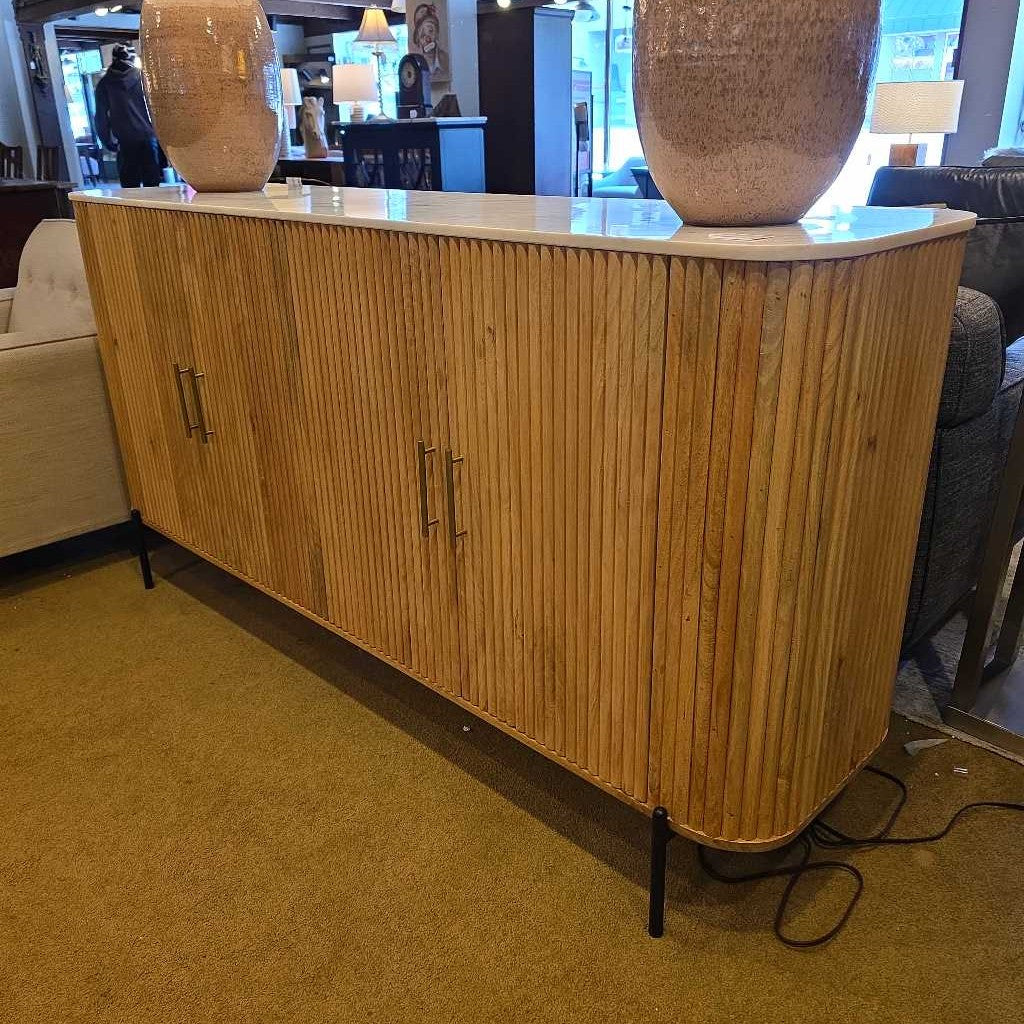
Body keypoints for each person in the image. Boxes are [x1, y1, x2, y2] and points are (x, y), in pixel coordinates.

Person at [94, 44, 162, 188]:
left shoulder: (105, 84)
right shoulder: (144, 78)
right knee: (154, 187)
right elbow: (158, 107)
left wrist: (107, 141)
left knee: (129, 188)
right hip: (148, 137)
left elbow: (101, 117)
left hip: (124, 140)